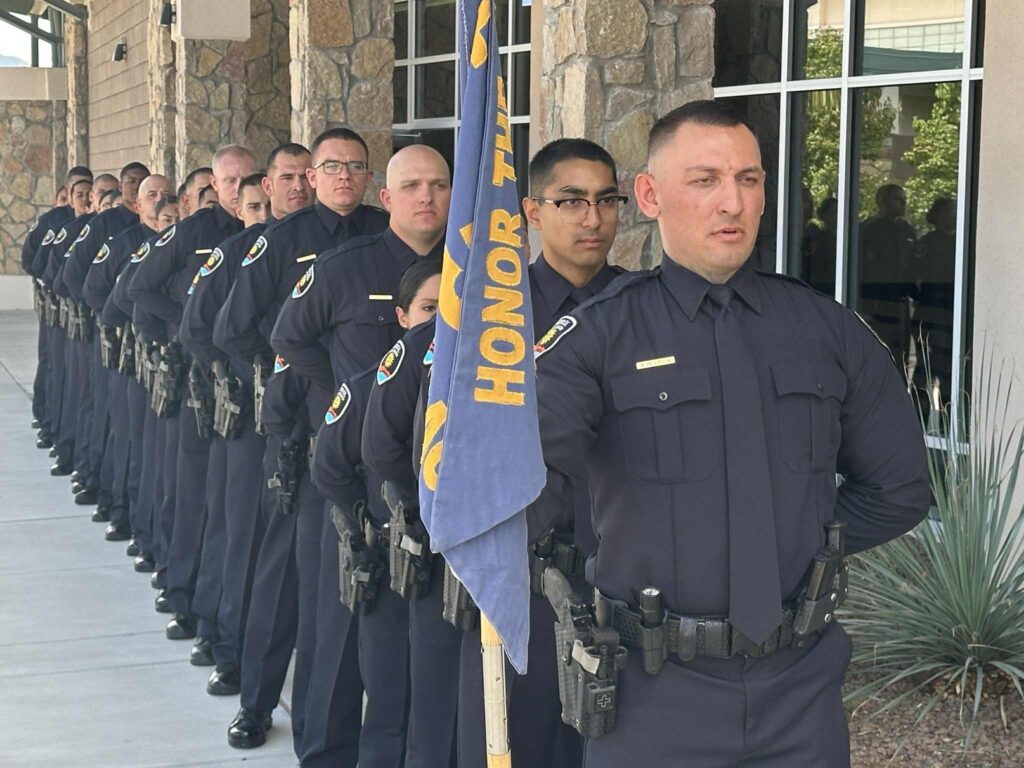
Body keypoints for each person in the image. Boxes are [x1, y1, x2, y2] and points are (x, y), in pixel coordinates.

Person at [527, 100, 931, 766]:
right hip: (651, 693)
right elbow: (530, 492)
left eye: (748, 180)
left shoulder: (825, 329)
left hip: (801, 686)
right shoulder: (596, 336)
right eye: (706, 180)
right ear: (652, 197)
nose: (732, 202)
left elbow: (899, 489)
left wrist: (785, 531)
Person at [271, 144, 451, 768]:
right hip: (358, 481)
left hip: (441, 488)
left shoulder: (474, 269)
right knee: (341, 635)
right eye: (413, 186)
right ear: (388, 197)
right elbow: (288, 338)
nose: (427, 197)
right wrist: (350, 390)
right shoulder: (346, 265)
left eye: (439, 185)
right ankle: (323, 754)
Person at [217, 127, 388, 756]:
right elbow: (234, 331)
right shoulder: (278, 241)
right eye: (329, 167)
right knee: (284, 577)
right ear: (310, 177)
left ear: (369, 177)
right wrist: (302, 378)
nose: (343, 176)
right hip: (300, 430)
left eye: (355, 166)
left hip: (367, 438)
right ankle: (257, 700)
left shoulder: (382, 233)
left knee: (344, 592)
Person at [310, 258, 442, 768]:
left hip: (448, 574)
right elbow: (330, 469)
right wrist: (374, 527)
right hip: (393, 565)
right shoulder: (367, 387)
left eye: (448, 309)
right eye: (429, 309)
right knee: (389, 701)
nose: (438, 321)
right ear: (403, 317)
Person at [129, 145, 255, 635]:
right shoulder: (192, 233)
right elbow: (141, 288)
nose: (240, 190)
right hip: (198, 383)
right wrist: (191, 325)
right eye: (228, 183)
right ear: (216, 187)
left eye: (249, 180)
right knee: (192, 495)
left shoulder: (265, 235)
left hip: (246, 386)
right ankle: (182, 593)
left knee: (231, 509)